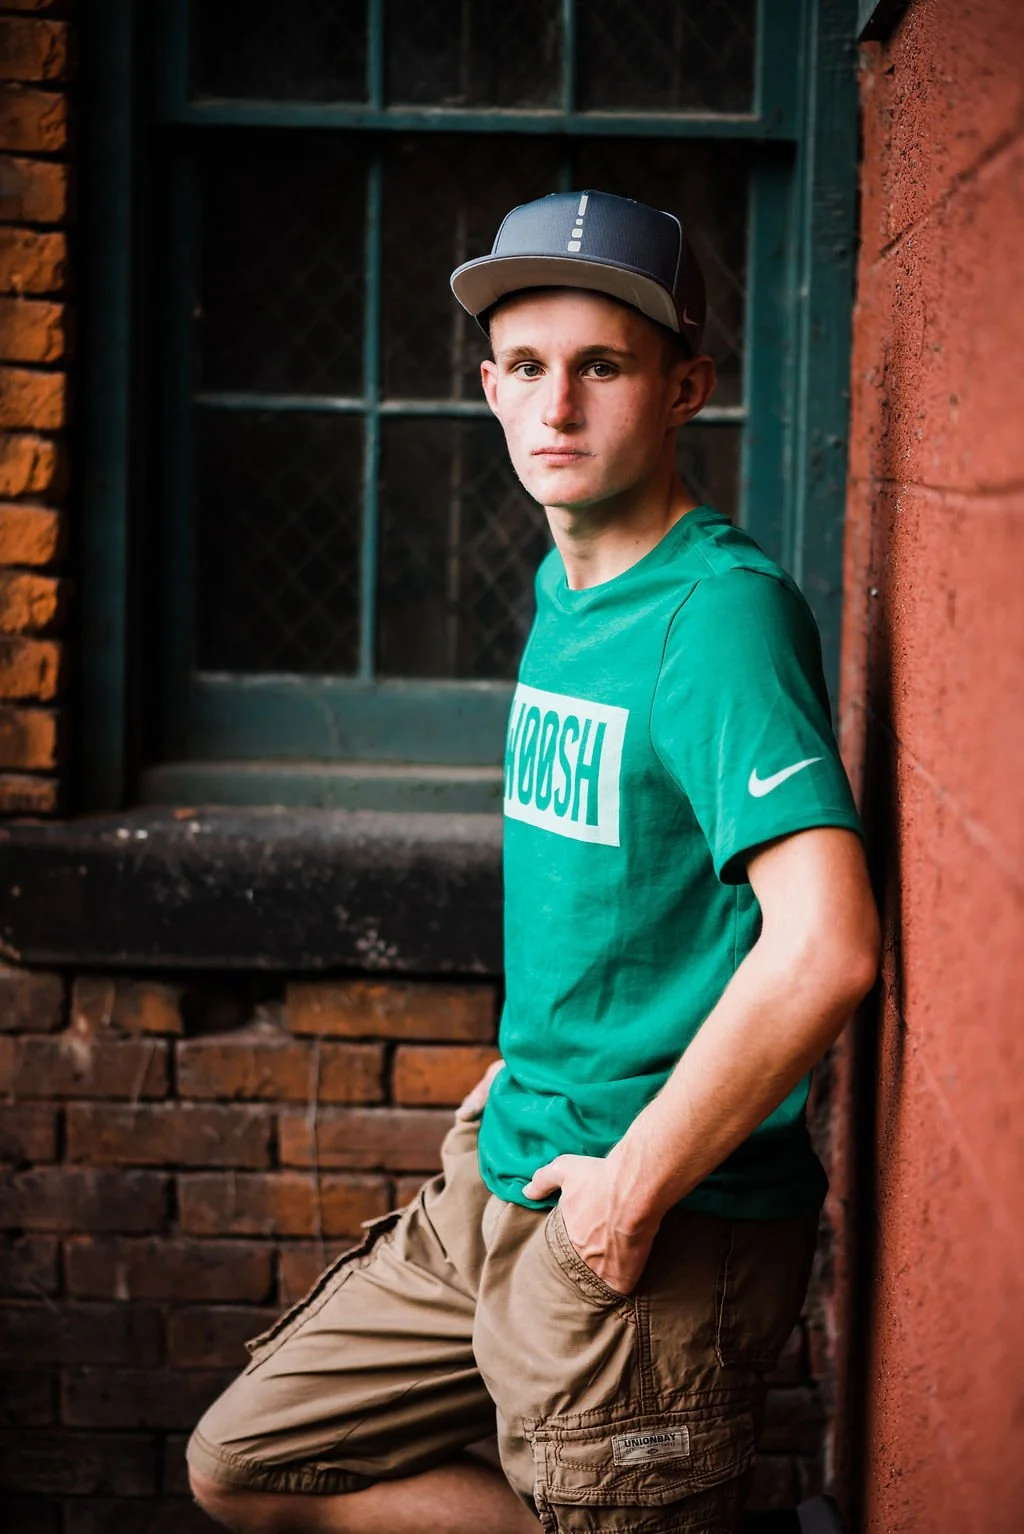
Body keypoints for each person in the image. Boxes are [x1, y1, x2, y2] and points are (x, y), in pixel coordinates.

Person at [187, 190, 879, 1534]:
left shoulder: (716, 616)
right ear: (489, 387)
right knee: (246, 1461)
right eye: (527, 366)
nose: (556, 405)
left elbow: (828, 943)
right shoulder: (573, 584)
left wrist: (630, 1189)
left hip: (650, 1223)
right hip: (506, 1167)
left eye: (602, 365)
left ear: (686, 386)